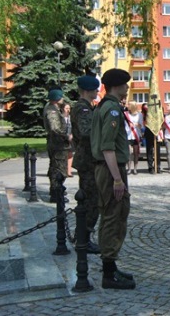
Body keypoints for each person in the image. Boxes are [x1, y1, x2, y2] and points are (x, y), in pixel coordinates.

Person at [90, 68, 135, 290]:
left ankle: (111, 266)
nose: (127, 88)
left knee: (111, 214)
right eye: (125, 84)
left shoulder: (105, 107)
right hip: (111, 170)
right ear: (117, 86)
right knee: (113, 217)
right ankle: (109, 274)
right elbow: (108, 148)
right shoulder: (113, 110)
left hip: (108, 170)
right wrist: (118, 180)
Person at [71, 74, 101, 254]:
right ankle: (83, 238)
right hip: (88, 160)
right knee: (91, 201)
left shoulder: (86, 107)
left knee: (91, 200)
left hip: (89, 159)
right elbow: (85, 132)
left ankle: (82, 236)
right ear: (87, 90)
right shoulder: (82, 108)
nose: (97, 91)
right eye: (95, 89)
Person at [43, 87, 70, 203]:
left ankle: (55, 191)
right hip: (58, 145)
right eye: (61, 96)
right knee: (59, 170)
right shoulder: (52, 110)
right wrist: (66, 136)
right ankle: (56, 194)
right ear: (56, 99)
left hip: (56, 144)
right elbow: (54, 128)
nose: (63, 99)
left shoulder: (53, 108)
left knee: (54, 168)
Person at [141, 103, 162, 174]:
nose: (146, 108)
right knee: (149, 150)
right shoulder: (144, 115)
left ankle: (157, 166)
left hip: (156, 132)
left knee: (157, 151)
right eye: (145, 108)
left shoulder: (157, 113)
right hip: (148, 132)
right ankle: (150, 167)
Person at [124, 101, 143, 175]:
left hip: (136, 136)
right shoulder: (125, 114)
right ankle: (129, 169)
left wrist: (135, 124)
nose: (127, 105)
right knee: (129, 153)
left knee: (136, 153)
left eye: (128, 104)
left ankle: (135, 169)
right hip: (128, 136)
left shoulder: (140, 115)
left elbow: (141, 125)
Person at [61, 102, 74, 177]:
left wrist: (72, 135)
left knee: (70, 154)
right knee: (63, 155)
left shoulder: (71, 118)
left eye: (69, 108)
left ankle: (69, 171)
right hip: (62, 138)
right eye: (66, 108)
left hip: (70, 138)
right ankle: (63, 170)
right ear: (63, 109)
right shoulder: (60, 117)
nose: (68, 110)